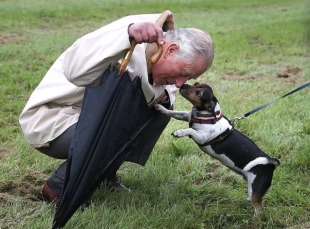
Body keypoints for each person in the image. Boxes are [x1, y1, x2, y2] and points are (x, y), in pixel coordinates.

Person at [19, 11, 214, 204]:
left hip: (88, 117)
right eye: (184, 73)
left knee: (156, 114)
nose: (181, 83)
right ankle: (57, 187)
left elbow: (157, 93)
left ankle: (104, 174)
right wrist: (127, 35)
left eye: (189, 79)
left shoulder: (161, 47)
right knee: (123, 123)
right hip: (52, 117)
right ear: (171, 50)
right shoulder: (133, 32)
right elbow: (74, 70)